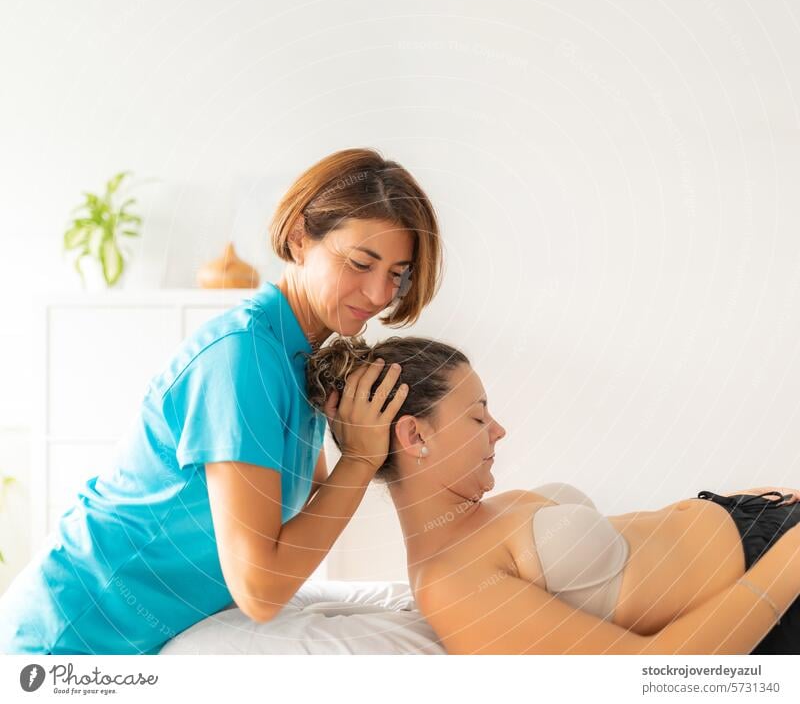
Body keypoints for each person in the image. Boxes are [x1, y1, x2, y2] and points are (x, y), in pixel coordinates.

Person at [0, 148, 443, 654]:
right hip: (69, 640)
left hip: (142, 639)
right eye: (360, 263)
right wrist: (360, 460)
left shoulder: (297, 355)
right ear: (300, 238)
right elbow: (260, 590)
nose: (377, 292)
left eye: (396, 273)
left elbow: (307, 508)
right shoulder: (243, 356)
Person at [305, 335, 800, 654]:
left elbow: (632, 555)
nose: (498, 430)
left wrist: (733, 504)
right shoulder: (450, 584)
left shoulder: (479, 518)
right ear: (415, 437)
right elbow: (647, 677)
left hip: (766, 531)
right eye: (478, 416)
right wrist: (785, 564)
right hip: (776, 594)